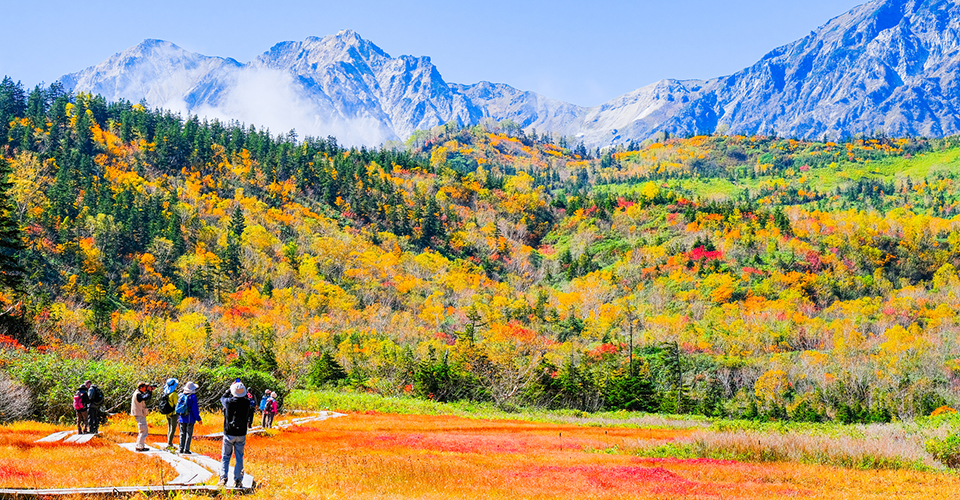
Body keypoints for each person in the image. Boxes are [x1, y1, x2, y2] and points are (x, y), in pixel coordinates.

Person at [219, 380, 249, 488]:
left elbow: (222, 398)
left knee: (226, 456)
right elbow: (248, 399)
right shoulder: (246, 402)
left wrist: (228, 390)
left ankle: (223, 478)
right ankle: (238, 480)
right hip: (241, 433)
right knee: (239, 457)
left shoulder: (228, 402)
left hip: (229, 432)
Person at [178, 381, 201, 454]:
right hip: (190, 418)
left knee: (182, 433)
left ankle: (181, 448)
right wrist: (198, 419)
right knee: (188, 434)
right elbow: (195, 409)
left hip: (181, 418)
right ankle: (186, 449)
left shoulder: (180, 395)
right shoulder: (193, 397)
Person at [130, 382, 154, 451]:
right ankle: (140, 446)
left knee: (143, 430)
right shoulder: (138, 394)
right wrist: (149, 391)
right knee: (143, 430)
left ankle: (140, 445)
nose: (146, 388)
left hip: (140, 414)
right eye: (145, 387)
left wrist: (150, 391)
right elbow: (145, 397)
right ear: (141, 387)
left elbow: (147, 397)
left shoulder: (138, 393)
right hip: (139, 414)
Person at [160, 378, 179, 449]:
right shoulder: (174, 394)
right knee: (172, 428)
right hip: (173, 413)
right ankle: (169, 443)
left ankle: (169, 442)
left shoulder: (166, 393)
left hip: (167, 413)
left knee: (169, 428)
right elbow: (177, 404)